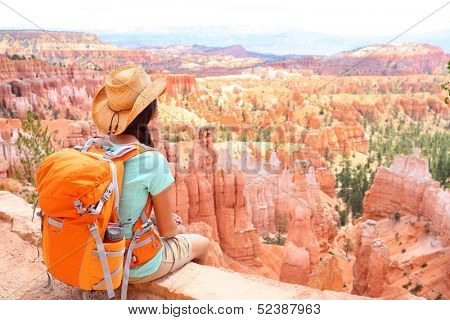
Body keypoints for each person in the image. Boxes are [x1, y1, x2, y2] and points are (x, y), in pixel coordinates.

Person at [91, 64, 210, 283]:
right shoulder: (151, 161)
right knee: (203, 244)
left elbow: (114, 207)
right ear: (151, 111)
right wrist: (175, 227)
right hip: (130, 262)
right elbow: (168, 231)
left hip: (91, 255)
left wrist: (151, 219)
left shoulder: (95, 148)